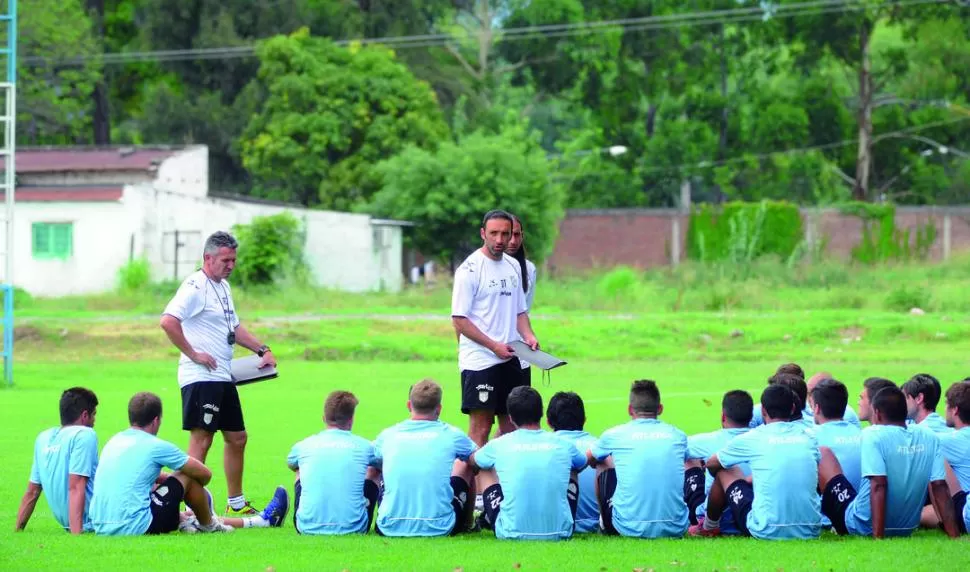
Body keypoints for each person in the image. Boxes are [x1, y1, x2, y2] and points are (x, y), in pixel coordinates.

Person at [160, 230, 277, 517]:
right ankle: (173, 507)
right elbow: (167, 321)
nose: (231, 265)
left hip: (223, 377)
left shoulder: (223, 287)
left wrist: (262, 350)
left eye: (234, 259)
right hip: (201, 378)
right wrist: (194, 354)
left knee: (237, 438)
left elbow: (233, 329)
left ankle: (235, 503)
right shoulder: (194, 287)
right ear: (207, 258)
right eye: (226, 260)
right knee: (201, 444)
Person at [90, 392, 287, 535]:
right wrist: (182, 486)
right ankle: (219, 525)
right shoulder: (156, 446)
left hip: (100, 525)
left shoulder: (114, 441)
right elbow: (204, 474)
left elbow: (129, 476)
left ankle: (191, 520)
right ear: (157, 420)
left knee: (172, 492)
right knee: (188, 475)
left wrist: (166, 482)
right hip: (135, 526)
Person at [451, 210, 540, 508]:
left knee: (513, 426)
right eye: (495, 234)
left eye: (506, 233)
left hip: (512, 356)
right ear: (483, 233)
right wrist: (493, 345)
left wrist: (528, 336)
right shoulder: (470, 270)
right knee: (480, 428)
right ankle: (473, 496)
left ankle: (507, 491)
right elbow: (460, 321)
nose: (502, 240)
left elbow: (520, 313)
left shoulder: (514, 268)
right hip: (481, 360)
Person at [816, 385, 959, 538]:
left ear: (876, 413)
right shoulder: (929, 436)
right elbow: (939, 485)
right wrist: (954, 535)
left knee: (823, 455)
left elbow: (879, 484)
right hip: (907, 526)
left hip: (861, 525)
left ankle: (825, 522)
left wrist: (878, 537)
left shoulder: (873, 435)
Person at [690, 384, 823, 539]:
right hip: (810, 529)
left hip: (766, 528)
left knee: (726, 470)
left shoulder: (753, 437)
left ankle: (708, 527)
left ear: (763, 411)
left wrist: (716, 474)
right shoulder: (809, 438)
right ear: (793, 409)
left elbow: (713, 463)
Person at [471, 386, 587, 541]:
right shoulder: (563, 444)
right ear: (541, 413)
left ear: (511, 418)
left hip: (510, 532)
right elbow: (583, 463)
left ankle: (475, 520)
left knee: (484, 467)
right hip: (560, 533)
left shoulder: (500, 444)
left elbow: (473, 461)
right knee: (573, 468)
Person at [370, 379, 477, 537]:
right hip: (440, 526)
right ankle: (469, 523)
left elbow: (371, 461)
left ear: (408, 405)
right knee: (465, 464)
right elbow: (477, 460)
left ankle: (368, 520)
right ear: (439, 409)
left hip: (389, 526)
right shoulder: (452, 435)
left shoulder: (388, 435)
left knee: (375, 466)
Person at [588, 380, 690, 539]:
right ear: (660, 409)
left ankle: (604, 523)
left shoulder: (614, 435)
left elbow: (589, 459)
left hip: (628, 526)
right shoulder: (678, 435)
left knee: (603, 461)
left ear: (630, 410)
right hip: (676, 527)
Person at [287, 390, 380, 535]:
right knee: (373, 471)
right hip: (354, 527)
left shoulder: (303, 445)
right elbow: (381, 463)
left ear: (323, 418)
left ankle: (311, 514)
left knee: (300, 469)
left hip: (306, 527)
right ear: (352, 419)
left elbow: (291, 463)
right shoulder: (365, 446)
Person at [15, 387, 100, 534]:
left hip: (69, 523)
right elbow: (76, 485)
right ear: (85, 415)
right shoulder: (84, 435)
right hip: (95, 522)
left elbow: (32, 492)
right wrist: (76, 535)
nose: (94, 421)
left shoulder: (43, 438)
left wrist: (18, 530)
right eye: (94, 415)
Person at [683, 390, 753, 534]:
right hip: (749, 506)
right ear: (751, 417)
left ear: (723, 416)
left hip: (717, 513)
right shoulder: (761, 439)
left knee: (690, 460)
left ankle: (705, 524)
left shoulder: (708, 440)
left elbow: (674, 451)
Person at [545, 391, 599, 533]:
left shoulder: (542, 449)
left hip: (552, 524)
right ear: (584, 419)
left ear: (548, 422)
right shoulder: (599, 446)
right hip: (597, 522)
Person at [922, 381, 970, 532]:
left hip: (965, 510)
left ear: (955, 410)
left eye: (946, 405)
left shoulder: (949, 441)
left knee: (933, 454)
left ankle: (948, 527)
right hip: (962, 499)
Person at [506, 214, 538, 386]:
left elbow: (524, 312)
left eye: (517, 235)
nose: (512, 241)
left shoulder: (529, 270)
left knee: (520, 407)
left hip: (520, 353)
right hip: (490, 352)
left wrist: (529, 337)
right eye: (508, 234)